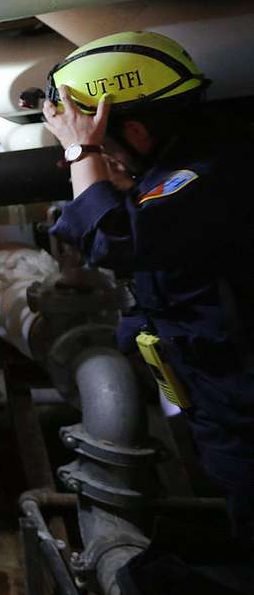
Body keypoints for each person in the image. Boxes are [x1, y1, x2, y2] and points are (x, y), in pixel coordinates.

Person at [42, 30, 254, 540]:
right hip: (220, 401)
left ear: (135, 133)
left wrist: (81, 151)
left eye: (107, 145)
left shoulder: (205, 174)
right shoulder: (203, 155)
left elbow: (113, 241)